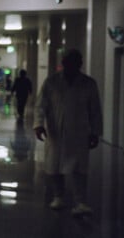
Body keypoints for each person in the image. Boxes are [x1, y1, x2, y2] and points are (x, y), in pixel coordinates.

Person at [34, 49, 102, 216]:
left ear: (80, 64)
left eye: (75, 62)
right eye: (68, 62)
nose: (71, 65)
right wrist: (38, 124)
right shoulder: (52, 82)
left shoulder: (88, 84)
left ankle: (80, 201)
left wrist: (95, 132)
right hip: (56, 130)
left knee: (79, 168)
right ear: (63, 63)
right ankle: (58, 197)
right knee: (54, 165)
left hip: (79, 132)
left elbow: (95, 110)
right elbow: (41, 105)